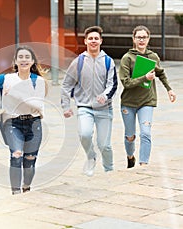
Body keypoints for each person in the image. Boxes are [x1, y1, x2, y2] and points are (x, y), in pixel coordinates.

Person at [0, 46, 47, 195]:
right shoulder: (4, 80)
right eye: (20, 57)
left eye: (27, 57)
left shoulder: (38, 81)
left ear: (32, 61)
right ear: (15, 61)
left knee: (30, 160)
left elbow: (37, 104)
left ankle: (26, 186)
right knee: (16, 155)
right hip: (13, 124)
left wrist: (15, 92)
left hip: (34, 124)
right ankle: (16, 193)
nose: (24, 60)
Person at [61, 26, 118, 177]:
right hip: (84, 107)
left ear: (101, 41)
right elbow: (67, 84)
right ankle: (91, 156)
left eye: (96, 38)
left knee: (104, 145)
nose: (93, 41)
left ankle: (109, 170)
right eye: (90, 38)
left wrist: (105, 96)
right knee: (84, 134)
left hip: (104, 109)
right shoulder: (78, 62)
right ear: (85, 41)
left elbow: (112, 84)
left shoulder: (108, 61)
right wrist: (66, 106)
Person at [118, 25, 176, 168]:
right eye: (139, 37)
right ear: (134, 39)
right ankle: (130, 157)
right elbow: (126, 83)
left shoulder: (153, 57)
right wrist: (145, 77)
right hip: (128, 102)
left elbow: (161, 73)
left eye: (144, 37)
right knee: (130, 136)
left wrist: (169, 89)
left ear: (148, 39)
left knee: (145, 133)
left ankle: (144, 165)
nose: (141, 40)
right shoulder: (127, 58)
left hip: (147, 101)